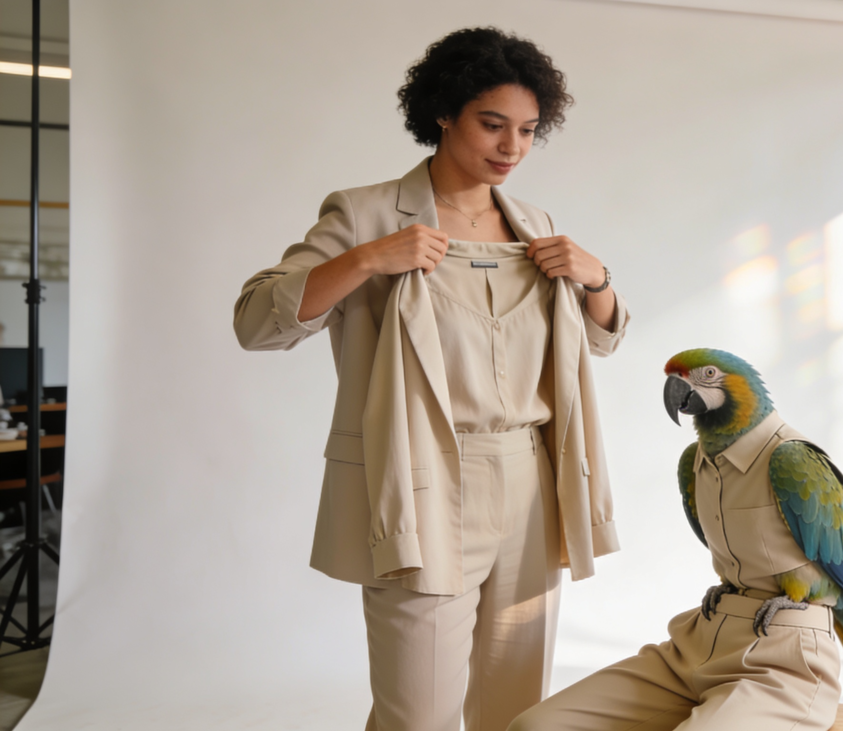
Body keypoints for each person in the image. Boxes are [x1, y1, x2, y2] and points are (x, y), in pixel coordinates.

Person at [233, 27, 629, 731]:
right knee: (415, 712)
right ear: (443, 112)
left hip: (532, 480)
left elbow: (600, 339)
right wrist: (366, 260)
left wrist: (596, 275)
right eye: (493, 124)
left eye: (530, 131)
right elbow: (257, 322)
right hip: (419, 479)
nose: (511, 147)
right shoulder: (366, 213)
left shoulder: (534, 224)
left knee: (519, 708)